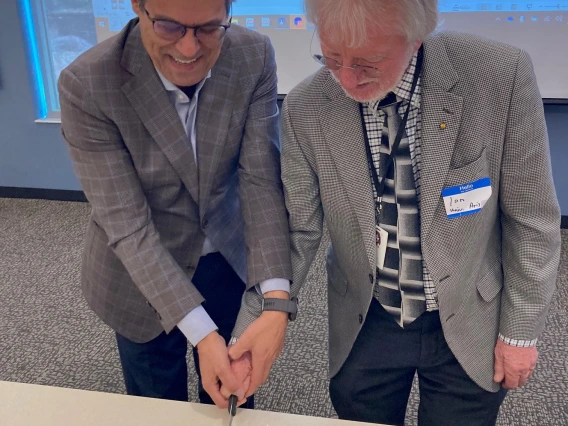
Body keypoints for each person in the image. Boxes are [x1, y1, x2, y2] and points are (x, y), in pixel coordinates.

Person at [231, 0, 562, 425]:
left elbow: (532, 221)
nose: (347, 79)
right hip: (368, 315)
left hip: (469, 311)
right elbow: (296, 229)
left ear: (416, 36)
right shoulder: (306, 107)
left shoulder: (499, 76)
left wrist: (520, 332)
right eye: (331, 59)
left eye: (368, 62)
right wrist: (253, 325)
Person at [58, 0, 293, 408]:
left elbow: (259, 182)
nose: (189, 49)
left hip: (228, 259)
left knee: (232, 397)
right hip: (139, 275)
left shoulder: (253, 55)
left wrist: (275, 300)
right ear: (137, 6)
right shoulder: (88, 83)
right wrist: (201, 333)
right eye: (168, 27)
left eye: (207, 28)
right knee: (155, 402)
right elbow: (128, 225)